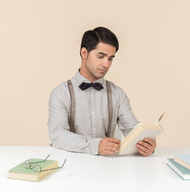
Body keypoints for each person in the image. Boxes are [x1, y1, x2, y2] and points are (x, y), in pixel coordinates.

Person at [48, 27, 156, 156]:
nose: (106, 64)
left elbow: (132, 130)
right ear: (84, 53)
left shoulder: (118, 94)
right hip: (69, 164)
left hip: (106, 167)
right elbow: (57, 135)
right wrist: (95, 145)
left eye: (110, 58)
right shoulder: (61, 93)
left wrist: (147, 144)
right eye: (101, 56)